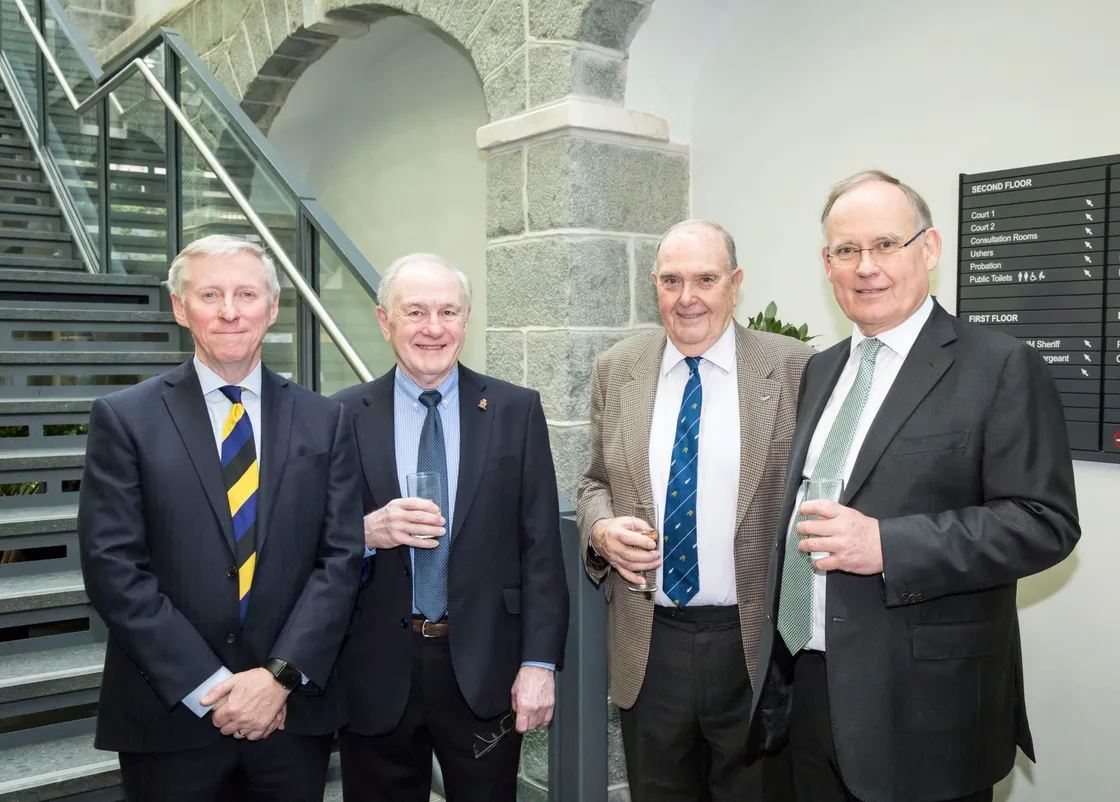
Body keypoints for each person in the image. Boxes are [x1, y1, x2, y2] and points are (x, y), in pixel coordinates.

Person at [747, 170, 1081, 802]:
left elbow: (1044, 523)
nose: (866, 266)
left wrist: (888, 545)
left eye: (885, 244)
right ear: (827, 264)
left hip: (924, 712)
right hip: (809, 691)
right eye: (847, 250)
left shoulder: (1000, 365)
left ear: (928, 249)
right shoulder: (823, 369)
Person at [77, 234, 364, 800]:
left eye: (246, 294)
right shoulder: (125, 418)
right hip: (170, 717)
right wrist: (211, 686)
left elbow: (340, 559)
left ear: (272, 307)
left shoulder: (325, 420)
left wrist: (278, 677)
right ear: (180, 308)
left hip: (290, 717)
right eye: (210, 295)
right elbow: (113, 567)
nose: (230, 311)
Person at [577, 220, 813, 801]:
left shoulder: (796, 368)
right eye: (672, 280)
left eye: (705, 279)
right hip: (650, 643)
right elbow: (594, 482)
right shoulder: (616, 369)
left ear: (735, 283)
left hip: (754, 643)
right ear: (654, 284)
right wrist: (601, 530)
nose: (688, 297)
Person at [332, 254, 569, 802]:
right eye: (415, 311)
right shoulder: (342, 415)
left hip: (486, 668)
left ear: (466, 320)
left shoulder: (516, 410)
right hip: (374, 668)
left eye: (448, 312)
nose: (433, 328)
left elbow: (540, 548)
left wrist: (538, 663)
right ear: (385, 321)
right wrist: (365, 533)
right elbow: (312, 541)